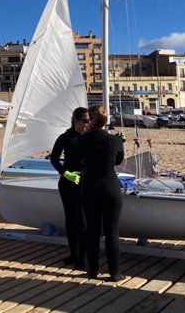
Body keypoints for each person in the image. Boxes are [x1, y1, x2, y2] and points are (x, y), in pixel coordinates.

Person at [78, 104, 125, 281]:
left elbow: (80, 158)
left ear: (91, 118)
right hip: (110, 187)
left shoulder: (83, 140)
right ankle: (114, 273)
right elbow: (118, 160)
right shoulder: (115, 140)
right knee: (112, 231)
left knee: (93, 230)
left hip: (90, 186)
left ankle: (92, 270)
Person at [50, 106, 89, 269]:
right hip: (68, 182)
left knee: (82, 220)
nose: (88, 124)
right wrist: (65, 173)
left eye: (90, 121)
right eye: (85, 121)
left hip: (84, 181)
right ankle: (73, 253)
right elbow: (54, 159)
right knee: (70, 219)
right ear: (75, 121)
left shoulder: (90, 137)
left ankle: (82, 255)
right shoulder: (65, 137)